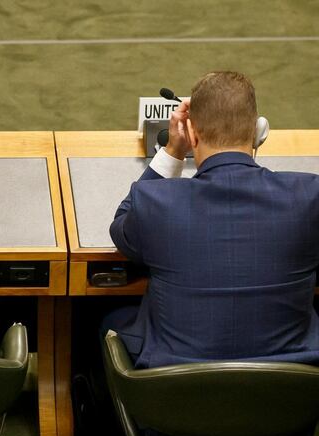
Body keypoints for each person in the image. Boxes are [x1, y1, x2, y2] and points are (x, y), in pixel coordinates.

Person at [105, 71, 319, 369]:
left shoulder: (156, 202)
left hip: (176, 399)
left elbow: (122, 229)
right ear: (259, 132)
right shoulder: (309, 196)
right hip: (291, 401)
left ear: (191, 134)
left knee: (105, 320)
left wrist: (172, 151)